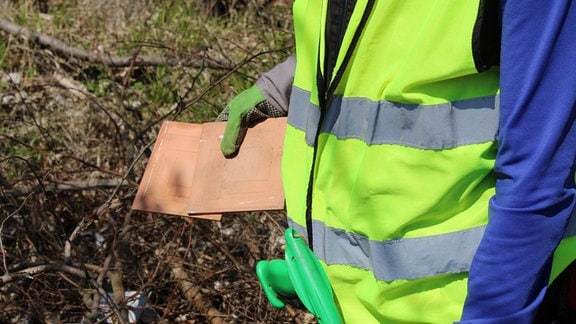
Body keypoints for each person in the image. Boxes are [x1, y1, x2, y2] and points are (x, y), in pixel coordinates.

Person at [219, 0, 576, 322]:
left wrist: (494, 315)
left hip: (461, 308)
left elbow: (537, 180)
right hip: (346, 303)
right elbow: (372, 26)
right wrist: (290, 79)